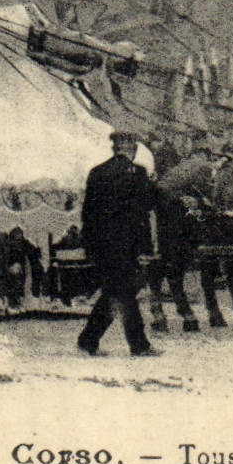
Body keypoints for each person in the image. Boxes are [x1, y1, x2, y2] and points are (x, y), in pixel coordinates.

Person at [77, 131, 158, 356]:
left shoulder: (97, 172)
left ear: (114, 148)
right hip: (128, 245)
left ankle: (88, 340)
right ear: (133, 149)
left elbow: (88, 213)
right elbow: (142, 213)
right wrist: (145, 249)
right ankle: (139, 345)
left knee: (114, 292)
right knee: (126, 293)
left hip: (102, 245)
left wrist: (90, 246)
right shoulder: (138, 173)